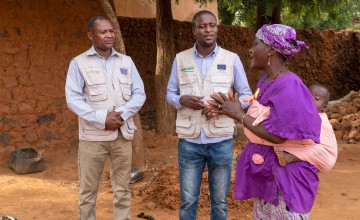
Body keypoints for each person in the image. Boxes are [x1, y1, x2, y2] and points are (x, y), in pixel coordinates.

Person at [207, 24, 321, 219]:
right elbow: (261, 119)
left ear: (271, 49)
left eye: (256, 44)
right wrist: (229, 110)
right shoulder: (267, 80)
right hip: (270, 177)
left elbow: (277, 135)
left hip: (287, 181)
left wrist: (239, 115)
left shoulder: (289, 85)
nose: (250, 50)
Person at [166, 10, 252, 220]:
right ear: (194, 30)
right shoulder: (181, 58)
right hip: (189, 141)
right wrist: (181, 100)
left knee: (220, 203)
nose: (208, 30)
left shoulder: (231, 59)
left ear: (217, 28)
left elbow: (247, 97)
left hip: (220, 141)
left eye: (212, 25)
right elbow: (170, 93)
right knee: (188, 201)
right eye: (203, 26)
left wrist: (225, 108)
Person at [65, 16, 146, 220]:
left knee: (122, 189)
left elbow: (139, 94)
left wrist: (122, 114)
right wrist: (102, 118)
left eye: (111, 31)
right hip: (92, 138)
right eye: (103, 32)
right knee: (88, 191)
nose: (109, 35)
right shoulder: (79, 63)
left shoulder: (126, 61)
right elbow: (73, 99)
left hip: (122, 136)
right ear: (91, 35)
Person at [241, 83, 337, 172]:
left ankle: (290, 158)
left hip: (325, 155)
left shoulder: (321, 119)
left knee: (312, 151)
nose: (309, 100)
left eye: (316, 98)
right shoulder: (299, 111)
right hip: (303, 149)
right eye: (306, 95)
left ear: (324, 107)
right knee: (286, 142)